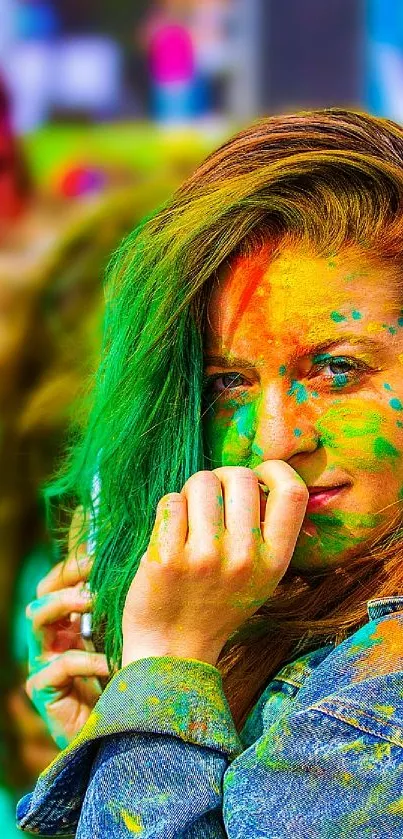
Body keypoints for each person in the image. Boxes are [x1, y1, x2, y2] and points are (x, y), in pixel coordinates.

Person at [16, 109, 403, 836]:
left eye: (336, 368)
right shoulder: (308, 614)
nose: (274, 439)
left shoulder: (378, 694)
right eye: (229, 380)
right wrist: (120, 737)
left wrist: (164, 662)